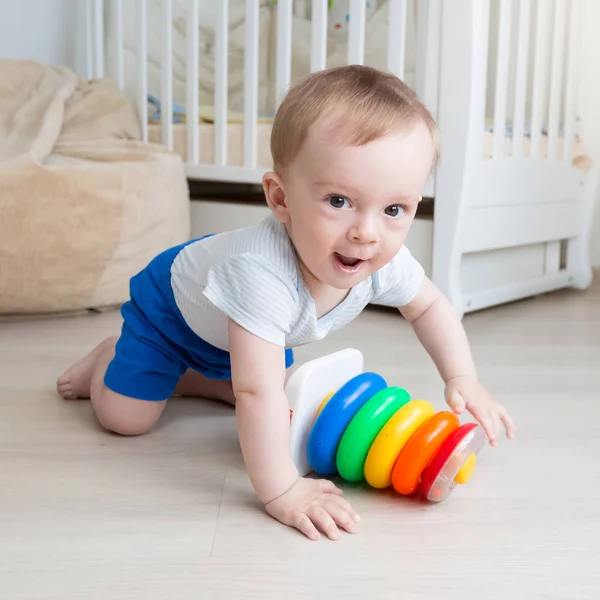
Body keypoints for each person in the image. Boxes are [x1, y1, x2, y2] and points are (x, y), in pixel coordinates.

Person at [57, 65, 515, 542]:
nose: (366, 232)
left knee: (268, 389)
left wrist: (463, 378)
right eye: (339, 201)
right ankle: (110, 354)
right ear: (280, 198)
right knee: (128, 419)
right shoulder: (261, 276)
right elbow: (255, 396)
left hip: (233, 330)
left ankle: (193, 377)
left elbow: (429, 307)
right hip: (171, 311)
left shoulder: (380, 257)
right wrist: (281, 491)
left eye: (393, 210)